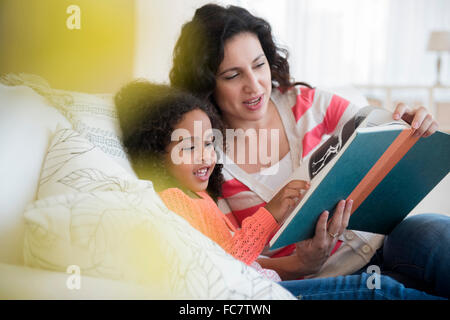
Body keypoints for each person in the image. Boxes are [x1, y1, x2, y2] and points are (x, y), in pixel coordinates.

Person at [169, 3, 449, 298]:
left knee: (438, 235)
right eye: (232, 76)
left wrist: (407, 127)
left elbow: (376, 131)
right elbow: (233, 259)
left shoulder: (307, 104)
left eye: (259, 64)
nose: (254, 85)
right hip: (311, 281)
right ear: (206, 83)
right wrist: (300, 263)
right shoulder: (204, 160)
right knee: (387, 291)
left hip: (383, 243)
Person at [114, 80, 441, 299]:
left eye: (209, 143)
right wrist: (269, 214)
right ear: (155, 155)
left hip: (272, 286)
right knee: (379, 291)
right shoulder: (173, 201)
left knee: (405, 274)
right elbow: (226, 262)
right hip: (265, 294)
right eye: (188, 148)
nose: (205, 156)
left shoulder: (197, 196)